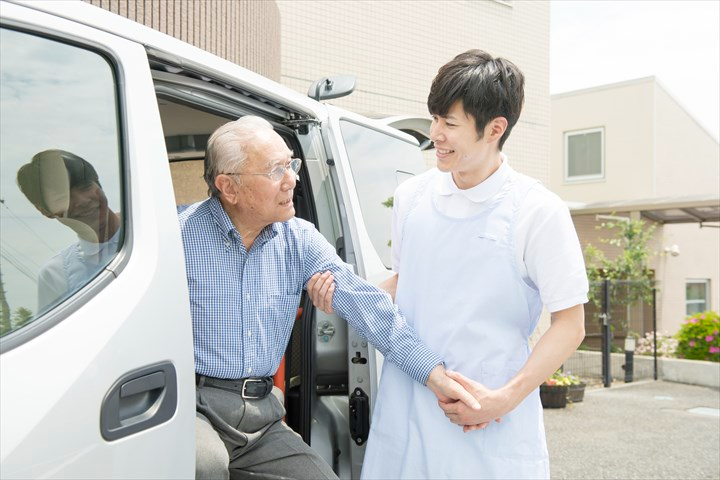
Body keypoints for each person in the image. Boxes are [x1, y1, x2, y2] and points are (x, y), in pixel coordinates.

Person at [308, 50, 588, 479]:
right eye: (434, 118)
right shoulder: (412, 197)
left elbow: (571, 323)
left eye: (450, 124)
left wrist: (506, 397)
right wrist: (346, 300)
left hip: (486, 412)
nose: (435, 134)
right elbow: (409, 281)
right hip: (408, 400)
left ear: (495, 129)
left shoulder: (537, 210)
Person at [179, 115, 480, 480]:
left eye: (291, 163)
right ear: (229, 187)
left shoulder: (299, 239)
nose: (293, 179)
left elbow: (369, 308)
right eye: (276, 170)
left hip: (262, 414)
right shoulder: (177, 236)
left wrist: (437, 377)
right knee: (204, 467)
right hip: (194, 406)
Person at [16, 149, 122, 313]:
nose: (82, 201)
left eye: (85, 186)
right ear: (45, 210)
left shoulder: (162, 224)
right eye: (63, 197)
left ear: (98, 183)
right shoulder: (56, 275)